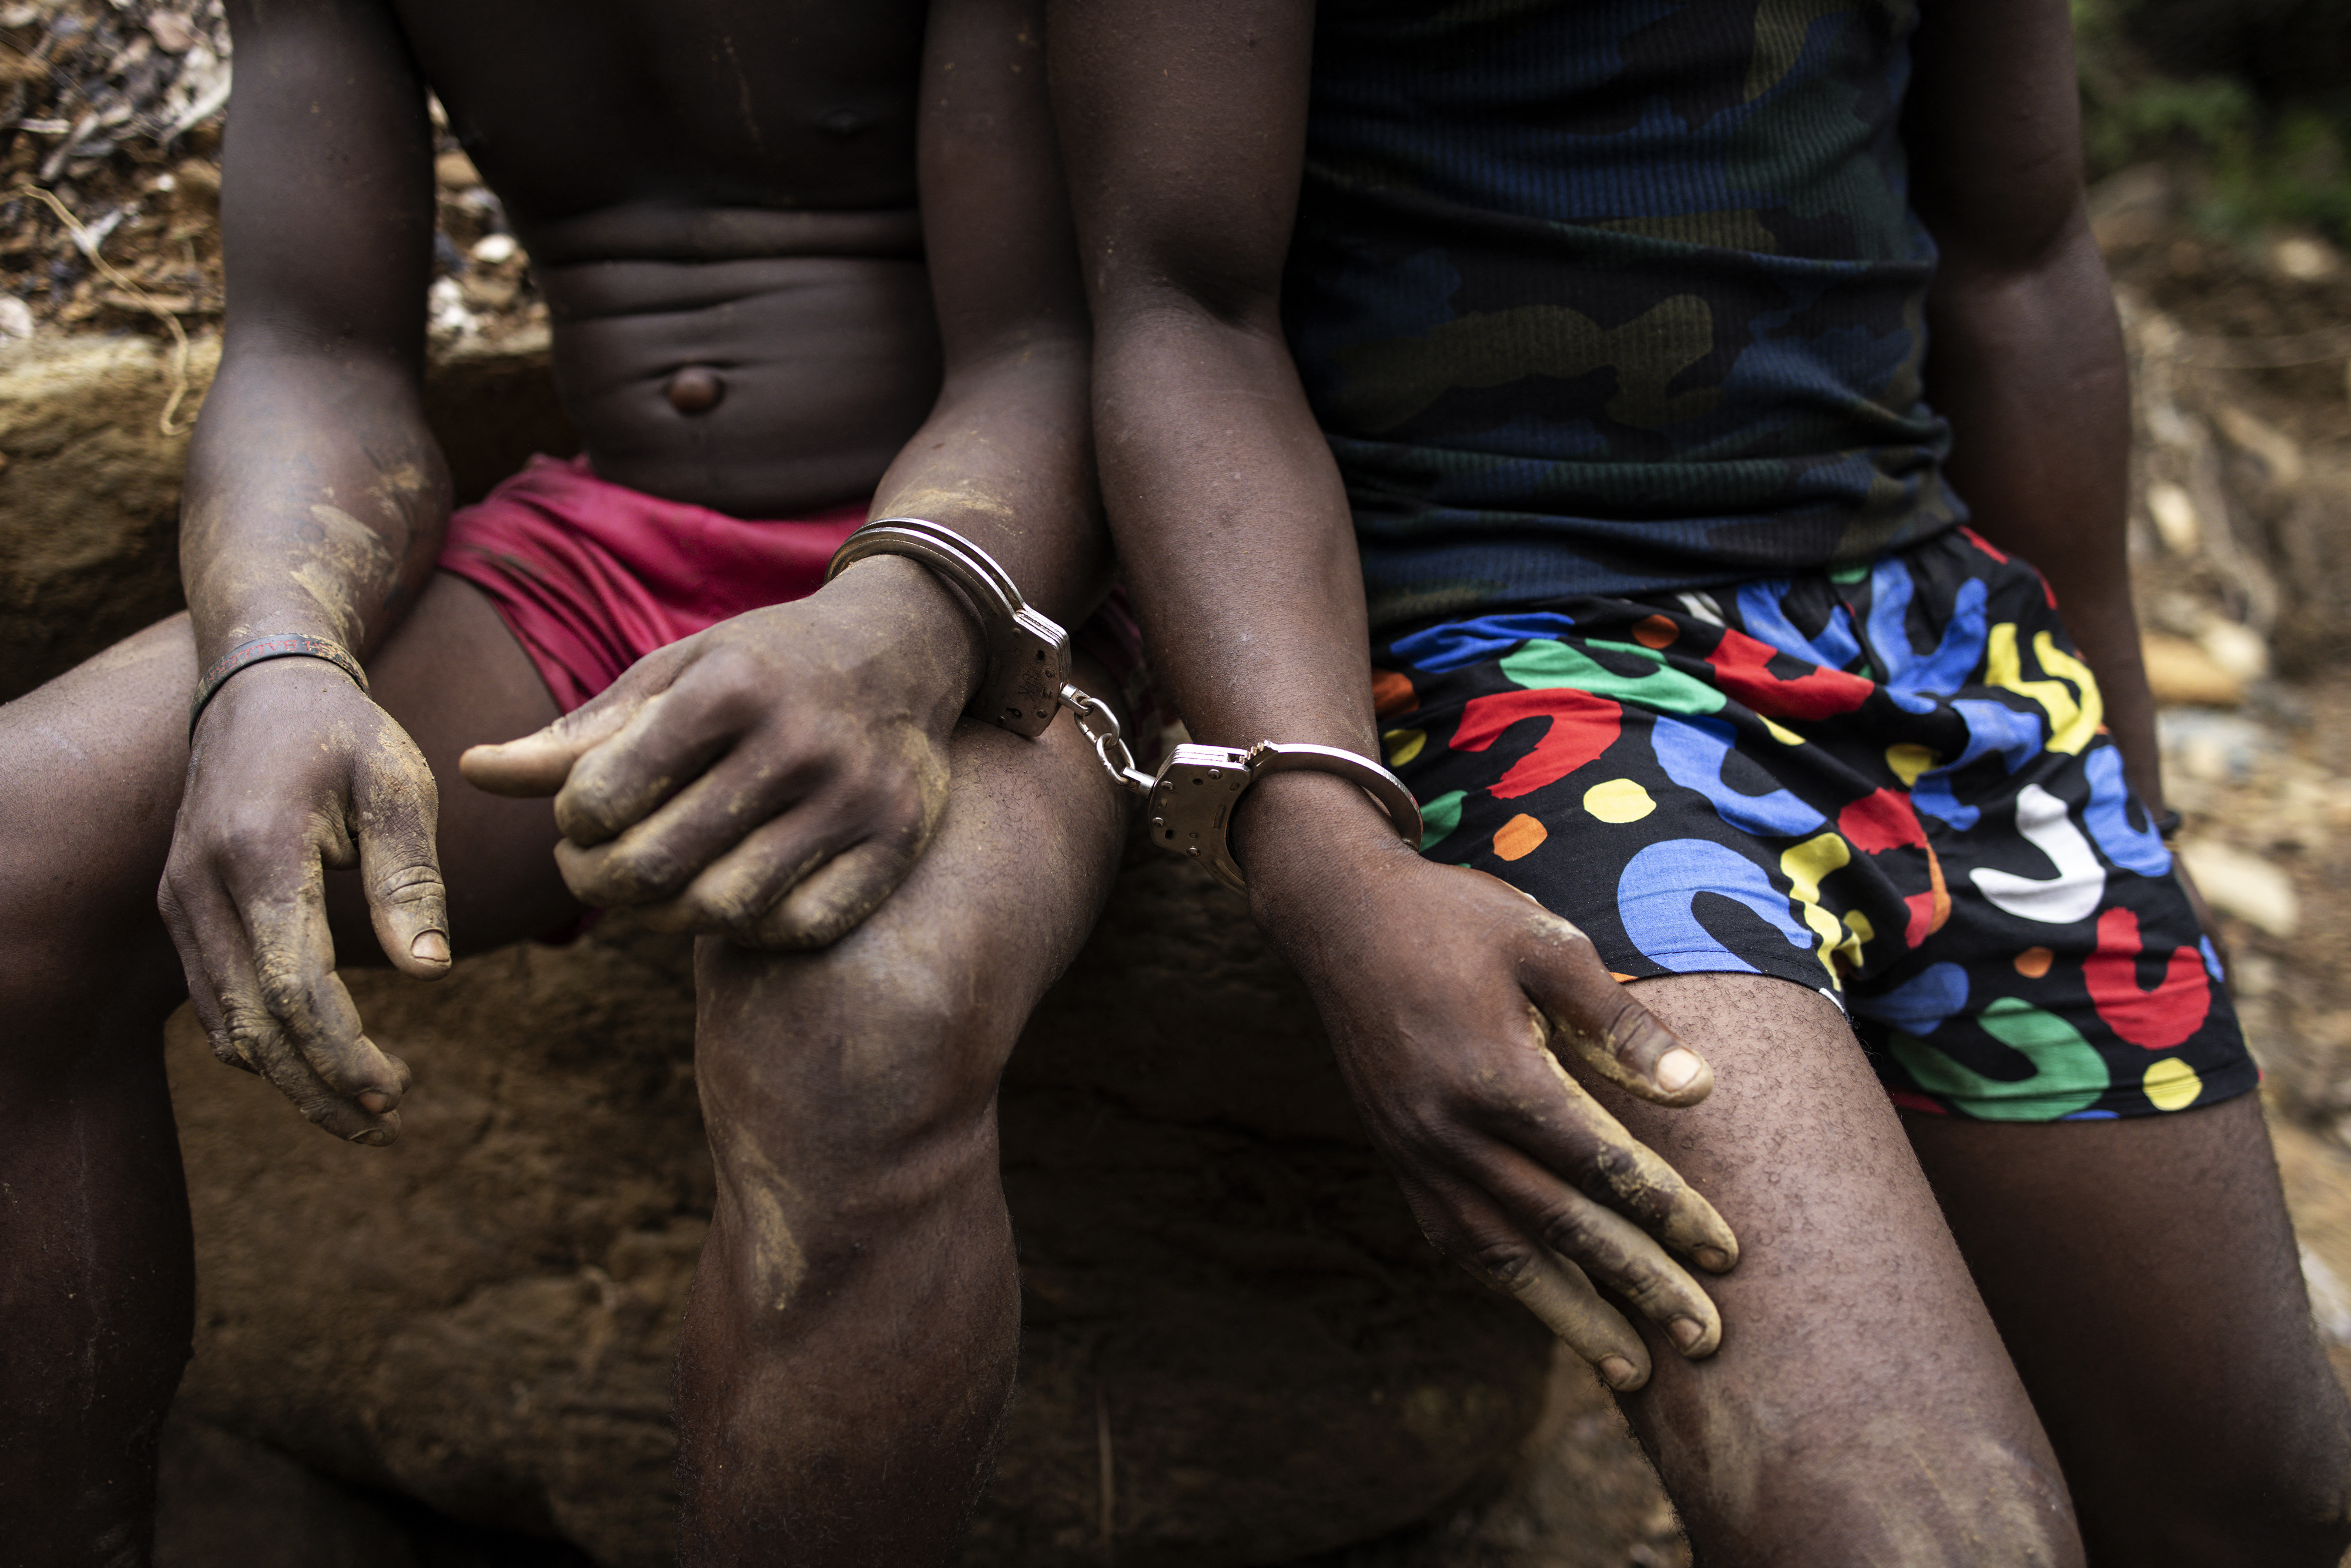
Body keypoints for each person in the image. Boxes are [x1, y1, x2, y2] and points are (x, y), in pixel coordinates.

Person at [1052, 0, 2351, 1561]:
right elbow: (1183, 300)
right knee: (1920, 1538)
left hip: (1934, 641)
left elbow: (2020, 256)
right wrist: (1326, 844)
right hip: (1519, 654)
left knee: (2256, 1494)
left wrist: (2123, 781)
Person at [0, 1, 1146, 1560]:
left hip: (1017, 573)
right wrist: (275, 655)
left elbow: (1077, 336)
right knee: (17, 863)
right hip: (623, 550)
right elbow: (313, 348)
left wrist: (902, 629)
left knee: (855, 1010)